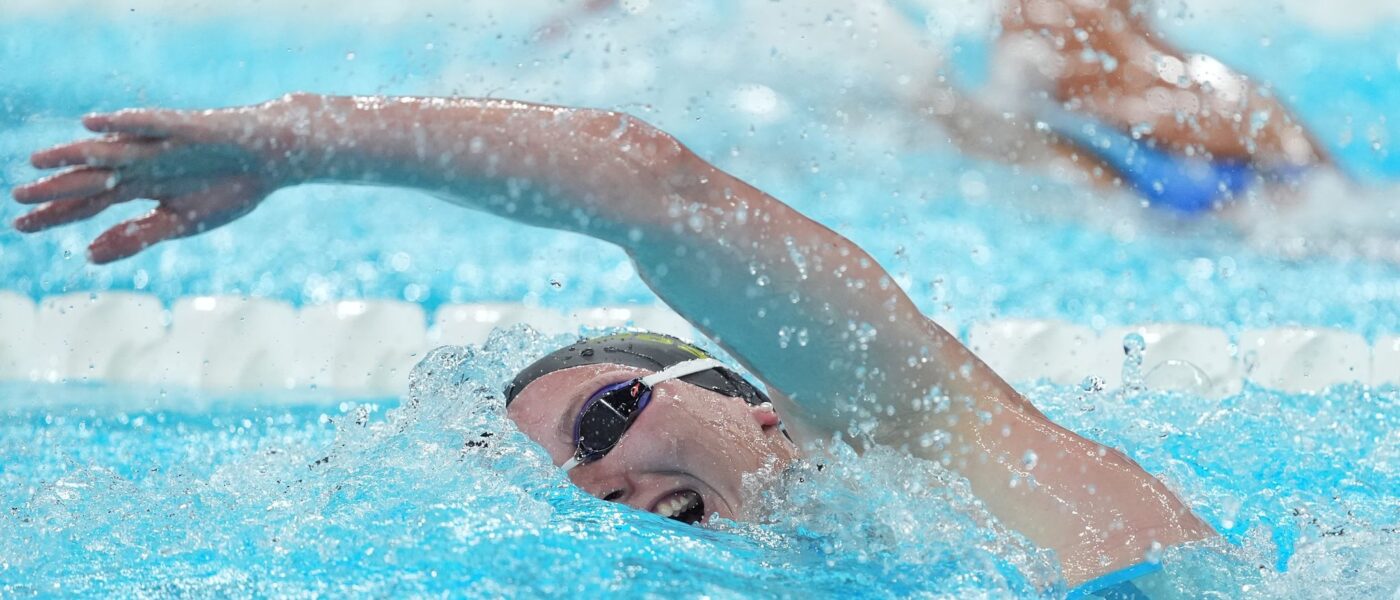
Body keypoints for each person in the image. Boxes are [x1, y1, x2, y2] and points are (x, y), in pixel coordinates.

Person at [9, 93, 1214, 596]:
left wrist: (304, 141)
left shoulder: (935, 445)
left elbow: (650, 187)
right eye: (566, 488)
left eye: (598, 422)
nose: (595, 484)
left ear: (756, 400)